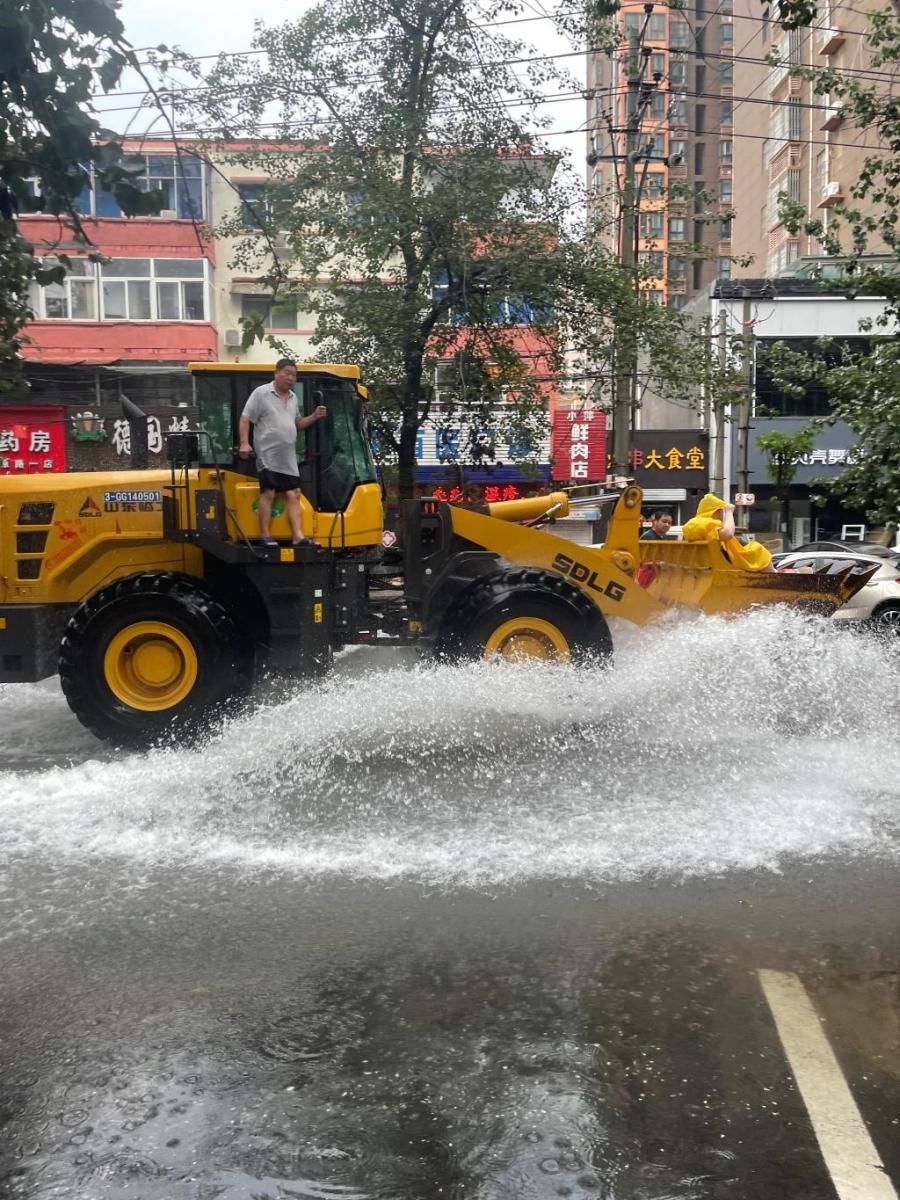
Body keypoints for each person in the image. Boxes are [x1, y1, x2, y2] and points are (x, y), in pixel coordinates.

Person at [239, 359, 328, 546]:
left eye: (294, 375)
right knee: (269, 492)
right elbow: (246, 418)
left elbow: (297, 424)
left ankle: (298, 536)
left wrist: (315, 416)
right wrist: (244, 443)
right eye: (287, 373)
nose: (290, 378)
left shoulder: (294, 398)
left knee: (294, 493)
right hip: (267, 454)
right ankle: (265, 535)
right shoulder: (261, 393)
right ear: (276, 373)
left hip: (288, 456)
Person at [682, 492, 775, 572]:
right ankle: (773, 579)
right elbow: (728, 534)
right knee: (758, 550)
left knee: (754, 549)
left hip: (704, 562)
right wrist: (729, 512)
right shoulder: (707, 522)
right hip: (722, 563)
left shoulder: (690, 525)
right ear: (716, 511)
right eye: (720, 512)